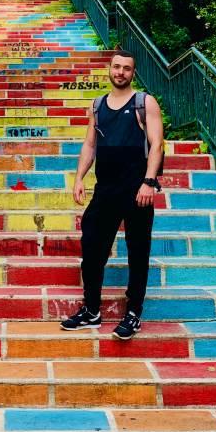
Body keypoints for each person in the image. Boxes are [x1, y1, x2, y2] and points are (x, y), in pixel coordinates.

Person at [60, 50, 164, 339]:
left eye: (126, 68)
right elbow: (90, 145)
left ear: (133, 73)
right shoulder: (96, 106)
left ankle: (133, 314)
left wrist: (149, 181)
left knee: (138, 251)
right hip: (105, 190)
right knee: (92, 247)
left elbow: (156, 144)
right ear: (109, 69)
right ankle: (91, 310)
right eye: (116, 67)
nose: (120, 72)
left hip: (137, 191)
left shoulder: (145, 103)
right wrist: (79, 177)